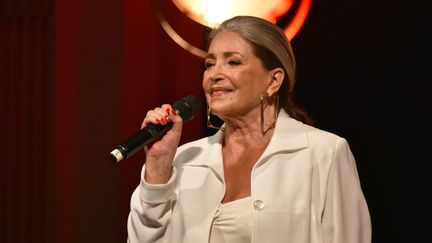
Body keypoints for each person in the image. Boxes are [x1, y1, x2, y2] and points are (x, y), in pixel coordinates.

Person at [127, 15, 371, 243]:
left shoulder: (323, 153)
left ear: (273, 80)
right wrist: (158, 169)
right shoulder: (184, 160)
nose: (214, 74)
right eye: (209, 64)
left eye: (233, 62)